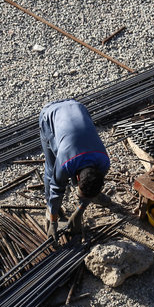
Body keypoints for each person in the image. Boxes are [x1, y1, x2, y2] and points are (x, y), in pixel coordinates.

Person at [39, 99, 111, 242]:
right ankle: (49, 208)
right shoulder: (65, 163)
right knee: (51, 169)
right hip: (50, 116)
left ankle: (93, 196)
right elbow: (56, 188)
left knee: (88, 188)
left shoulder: (104, 163)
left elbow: (94, 182)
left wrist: (79, 211)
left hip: (78, 107)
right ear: (78, 179)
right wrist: (53, 220)